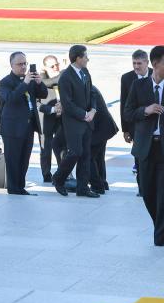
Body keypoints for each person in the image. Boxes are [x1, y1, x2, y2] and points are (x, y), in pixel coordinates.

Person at [124, 46, 164, 246]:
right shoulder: (139, 86)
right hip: (146, 147)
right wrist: (146, 110)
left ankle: (161, 236)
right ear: (155, 64)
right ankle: (158, 223)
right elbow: (128, 113)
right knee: (148, 191)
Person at [0, 52, 48, 195]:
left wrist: (39, 82)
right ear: (12, 65)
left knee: (24, 159)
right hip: (12, 128)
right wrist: (25, 83)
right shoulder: (5, 82)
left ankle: (20, 186)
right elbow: (11, 98)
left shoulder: (30, 80)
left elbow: (43, 94)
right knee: (13, 160)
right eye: (20, 64)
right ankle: (14, 188)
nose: (24, 66)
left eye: (25, 63)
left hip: (29, 126)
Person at [53, 45, 98, 198]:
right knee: (75, 152)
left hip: (87, 120)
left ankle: (82, 188)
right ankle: (58, 178)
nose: (88, 59)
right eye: (85, 56)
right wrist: (84, 114)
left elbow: (92, 93)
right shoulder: (65, 77)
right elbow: (67, 103)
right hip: (73, 122)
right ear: (78, 58)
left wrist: (93, 110)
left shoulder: (85, 72)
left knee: (85, 154)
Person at [120, 49, 152, 194]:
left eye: (139, 63)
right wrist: (125, 129)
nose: (136, 66)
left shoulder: (155, 75)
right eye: (134, 63)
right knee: (139, 158)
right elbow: (123, 105)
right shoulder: (126, 78)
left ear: (147, 62)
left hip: (152, 125)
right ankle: (142, 187)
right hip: (135, 125)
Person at [38, 55, 63, 183]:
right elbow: (37, 103)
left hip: (60, 118)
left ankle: (63, 173)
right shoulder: (40, 79)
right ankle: (46, 174)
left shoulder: (62, 77)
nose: (56, 67)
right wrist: (52, 109)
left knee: (62, 146)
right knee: (46, 149)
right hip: (46, 118)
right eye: (52, 66)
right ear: (45, 68)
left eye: (57, 64)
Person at [90, 86, 118, 193]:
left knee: (89, 157)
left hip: (100, 129)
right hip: (104, 128)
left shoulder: (87, 89)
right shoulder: (90, 87)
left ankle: (98, 186)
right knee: (98, 157)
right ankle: (102, 183)